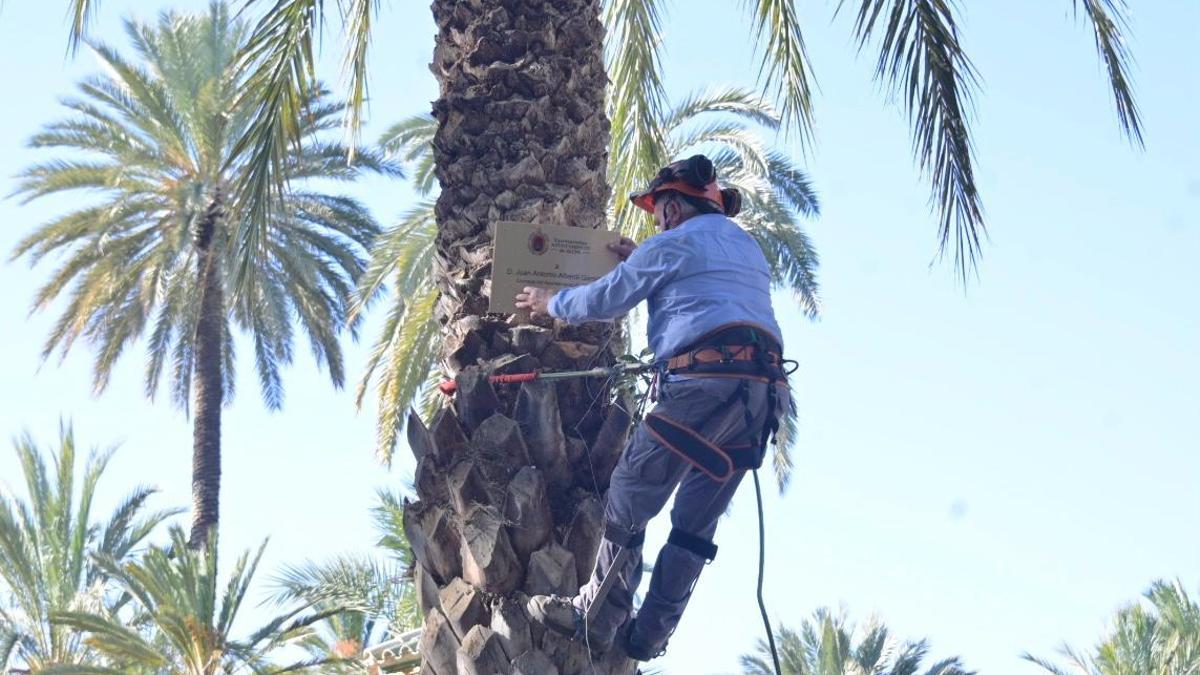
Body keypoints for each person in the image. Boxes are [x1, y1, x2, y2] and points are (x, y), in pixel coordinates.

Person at [514, 154, 791, 661]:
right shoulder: (744, 246)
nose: (657, 218)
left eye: (659, 208)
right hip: (762, 399)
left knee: (629, 493)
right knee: (692, 525)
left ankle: (593, 610)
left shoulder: (673, 243)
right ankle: (651, 635)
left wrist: (551, 302)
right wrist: (644, 254)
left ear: (673, 206)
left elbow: (611, 298)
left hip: (702, 388)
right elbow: (706, 289)